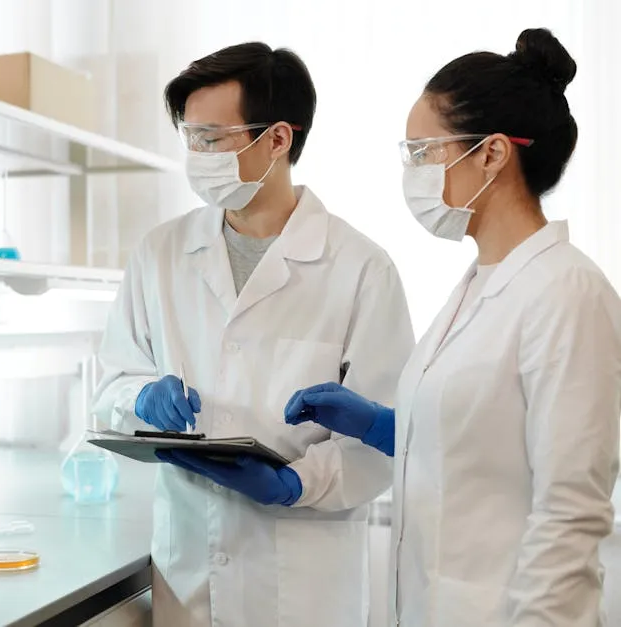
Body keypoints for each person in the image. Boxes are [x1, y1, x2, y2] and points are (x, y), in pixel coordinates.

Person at [285, 29, 621, 626]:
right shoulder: (479, 285)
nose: (411, 172)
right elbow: (485, 442)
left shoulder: (567, 291)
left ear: (492, 154)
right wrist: (390, 428)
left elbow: (570, 511)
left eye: (423, 152)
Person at [92, 42, 414, 627]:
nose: (197, 154)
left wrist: (295, 484)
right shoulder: (159, 253)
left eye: (213, 139)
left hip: (302, 581)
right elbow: (112, 380)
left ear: (278, 139)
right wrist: (138, 398)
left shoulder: (361, 268)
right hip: (187, 571)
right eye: (190, 137)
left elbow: (388, 436)